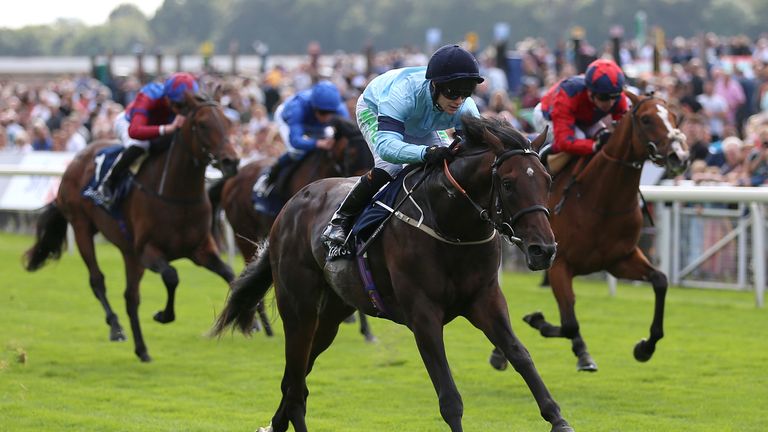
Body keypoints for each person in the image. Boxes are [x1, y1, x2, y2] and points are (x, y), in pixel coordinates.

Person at [321, 44, 484, 245]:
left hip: (423, 121)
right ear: (435, 85)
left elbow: (474, 149)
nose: (459, 100)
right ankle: (340, 220)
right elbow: (387, 148)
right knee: (390, 167)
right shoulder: (402, 93)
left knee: (448, 165)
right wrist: (426, 152)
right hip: (375, 108)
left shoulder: (465, 106)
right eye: (453, 92)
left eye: (466, 92)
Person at [97, 72, 199, 203]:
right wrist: (168, 128)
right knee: (141, 145)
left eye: (186, 105)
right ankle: (109, 182)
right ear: (168, 98)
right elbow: (135, 131)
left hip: (158, 126)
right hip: (128, 122)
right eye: (179, 105)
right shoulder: (149, 95)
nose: (182, 111)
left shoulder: (183, 100)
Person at [253, 81, 349, 196]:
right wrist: (317, 143)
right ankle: (268, 178)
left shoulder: (340, 109)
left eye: (330, 113)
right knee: (296, 152)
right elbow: (295, 141)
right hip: (288, 120)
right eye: (322, 112)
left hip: (314, 125)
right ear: (314, 107)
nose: (327, 117)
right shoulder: (297, 108)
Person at [533, 59, 629, 171]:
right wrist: (594, 146)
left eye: (615, 97)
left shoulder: (617, 96)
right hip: (546, 114)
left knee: (603, 136)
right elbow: (564, 141)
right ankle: (543, 162)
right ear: (590, 92)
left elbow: (623, 130)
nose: (611, 103)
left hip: (583, 116)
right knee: (581, 139)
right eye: (604, 97)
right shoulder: (568, 94)